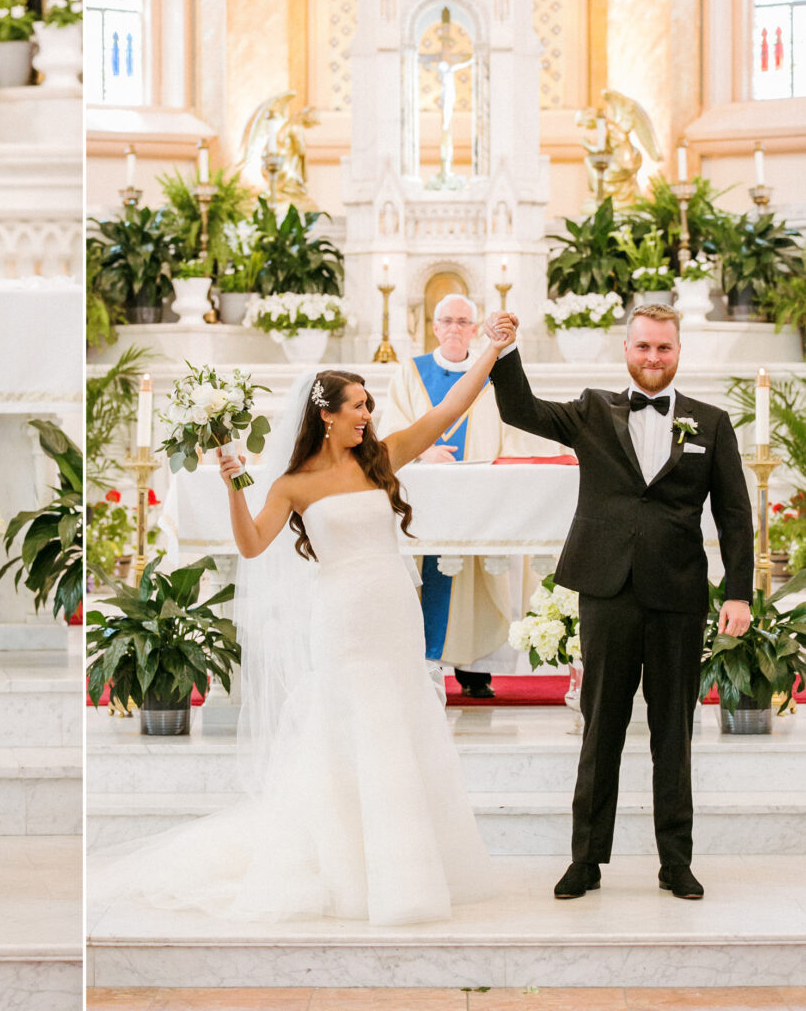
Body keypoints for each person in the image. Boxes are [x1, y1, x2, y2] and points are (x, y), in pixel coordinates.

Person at [91, 323, 517, 925]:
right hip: (342, 616)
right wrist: (235, 485)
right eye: (359, 406)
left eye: (368, 405)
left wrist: (491, 350)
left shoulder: (383, 458)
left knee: (402, 723)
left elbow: (452, 405)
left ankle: (416, 866)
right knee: (352, 727)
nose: (368, 414)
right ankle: (352, 871)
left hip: (393, 610)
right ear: (326, 417)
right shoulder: (292, 484)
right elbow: (254, 543)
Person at [485, 305, 753, 901]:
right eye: (642, 347)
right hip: (607, 589)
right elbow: (521, 410)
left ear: (678, 351)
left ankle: (675, 862)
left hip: (678, 596)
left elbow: (734, 513)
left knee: (672, 733)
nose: (652, 358)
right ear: (625, 349)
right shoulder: (591, 411)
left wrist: (739, 591)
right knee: (600, 727)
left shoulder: (711, 423)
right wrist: (504, 352)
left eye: (663, 348)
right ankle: (585, 860)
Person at [379, 292, 549, 697]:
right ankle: (421, 666)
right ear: (434, 328)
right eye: (447, 321)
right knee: (424, 577)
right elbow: (391, 428)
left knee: (478, 581)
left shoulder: (490, 372)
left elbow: (515, 426)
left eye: (463, 322)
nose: (455, 328)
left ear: (474, 330)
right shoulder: (410, 372)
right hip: (423, 496)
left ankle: (475, 672)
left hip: (478, 496)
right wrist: (422, 450)